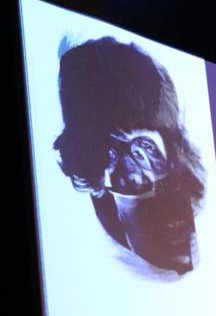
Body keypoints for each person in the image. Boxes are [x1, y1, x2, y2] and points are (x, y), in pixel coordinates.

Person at [54, 36, 205, 275]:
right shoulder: (162, 104)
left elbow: (73, 64)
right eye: (148, 181)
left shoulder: (89, 134)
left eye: (130, 182)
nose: (139, 165)